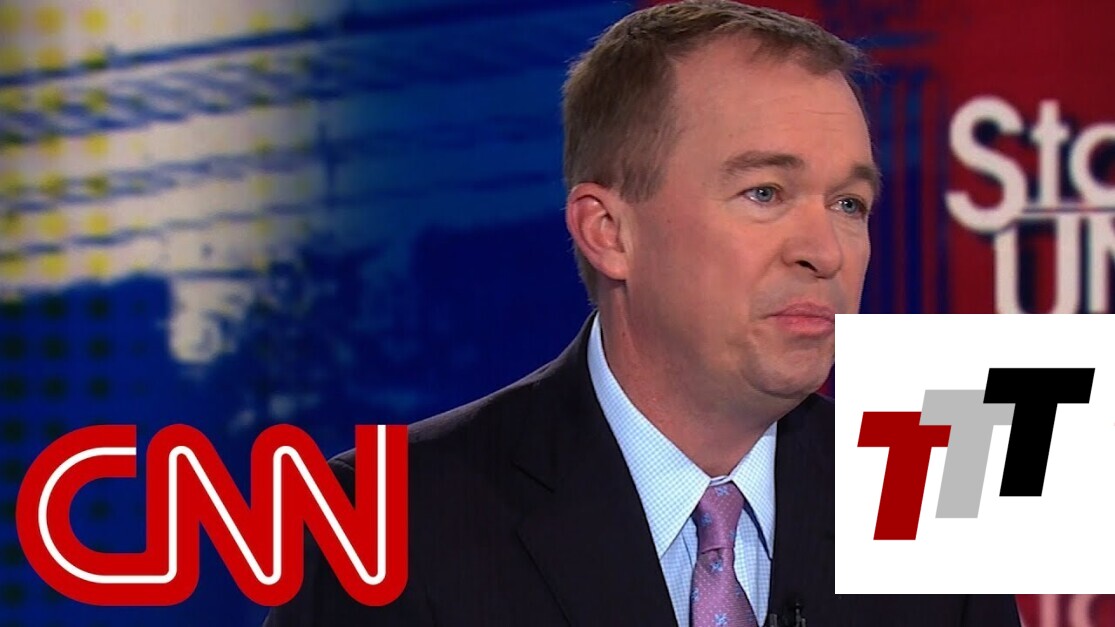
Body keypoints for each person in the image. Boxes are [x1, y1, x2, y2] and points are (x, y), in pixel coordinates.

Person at [265, 1, 1021, 625]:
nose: (825, 251)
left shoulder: (935, 500)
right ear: (609, 232)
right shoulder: (388, 523)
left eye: (849, 203)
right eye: (764, 192)